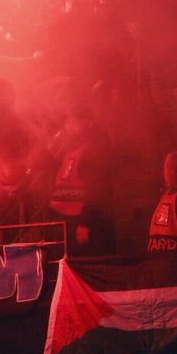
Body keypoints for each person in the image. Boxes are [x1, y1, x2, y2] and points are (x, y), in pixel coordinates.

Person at [46, 104, 115, 256]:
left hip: (83, 221)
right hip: (63, 220)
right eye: (67, 122)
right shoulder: (67, 145)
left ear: (88, 122)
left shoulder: (97, 146)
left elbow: (99, 188)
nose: (68, 126)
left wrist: (86, 222)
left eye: (73, 121)